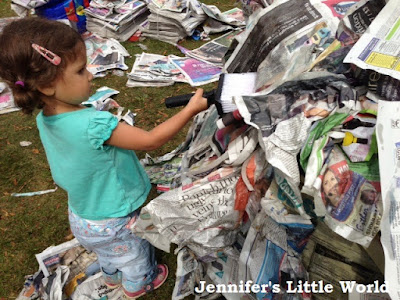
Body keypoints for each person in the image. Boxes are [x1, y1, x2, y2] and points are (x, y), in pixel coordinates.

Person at [0, 17, 208, 299]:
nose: (91, 75)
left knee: (108, 252)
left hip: (83, 214)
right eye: (81, 70)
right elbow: (151, 140)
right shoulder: (95, 125)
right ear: (48, 86)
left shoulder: (45, 118)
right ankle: (140, 283)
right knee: (133, 253)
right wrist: (190, 110)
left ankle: (111, 277)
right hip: (115, 215)